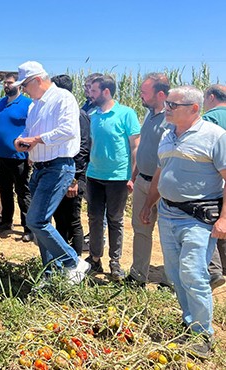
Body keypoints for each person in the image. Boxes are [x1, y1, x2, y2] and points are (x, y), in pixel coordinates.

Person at [140, 85, 226, 358]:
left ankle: (203, 335)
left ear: (194, 109)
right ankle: (190, 320)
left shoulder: (215, 137)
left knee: (193, 272)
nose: (167, 109)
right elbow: (160, 173)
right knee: (174, 273)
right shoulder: (167, 135)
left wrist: (224, 219)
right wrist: (148, 204)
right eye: (167, 105)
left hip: (198, 218)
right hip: (167, 213)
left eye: (172, 106)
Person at [13, 61, 90, 283]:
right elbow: (29, 131)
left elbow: (67, 131)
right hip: (39, 167)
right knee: (38, 225)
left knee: (37, 221)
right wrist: (21, 141)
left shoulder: (63, 98)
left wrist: (36, 139)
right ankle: (48, 275)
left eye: (25, 85)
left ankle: (73, 262)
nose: (24, 90)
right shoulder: (34, 106)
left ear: (37, 80)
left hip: (58, 166)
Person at [84, 75, 140, 281]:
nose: (90, 94)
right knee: (94, 218)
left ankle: (115, 262)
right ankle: (95, 258)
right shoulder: (93, 116)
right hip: (94, 175)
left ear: (106, 92)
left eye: (94, 91)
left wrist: (131, 176)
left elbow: (135, 147)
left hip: (118, 177)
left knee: (115, 220)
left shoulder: (126, 114)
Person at [126, 73, 170, 287]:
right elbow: (143, 148)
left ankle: (169, 281)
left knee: (168, 234)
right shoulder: (149, 115)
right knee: (140, 229)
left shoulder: (171, 119)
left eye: (144, 92)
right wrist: (133, 176)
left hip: (162, 185)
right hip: (143, 181)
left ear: (160, 94)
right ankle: (137, 275)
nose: (140, 96)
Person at [50, 75, 91, 256]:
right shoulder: (61, 114)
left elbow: (82, 150)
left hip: (73, 176)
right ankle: (62, 259)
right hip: (60, 174)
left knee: (73, 220)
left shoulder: (78, 115)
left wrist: (74, 180)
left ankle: (75, 261)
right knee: (60, 218)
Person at [0, 72, 33, 240]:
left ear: (18, 85)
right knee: (4, 191)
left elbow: (32, 129)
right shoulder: (0, 103)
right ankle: (6, 221)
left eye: (9, 82)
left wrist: (30, 153)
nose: (6, 85)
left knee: (22, 191)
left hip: (19, 157)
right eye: (4, 83)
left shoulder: (27, 104)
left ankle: (28, 227)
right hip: (0, 156)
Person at [202, 84, 226, 290]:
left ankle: (214, 270)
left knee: (212, 222)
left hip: (217, 177)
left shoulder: (210, 119)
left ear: (211, 97)